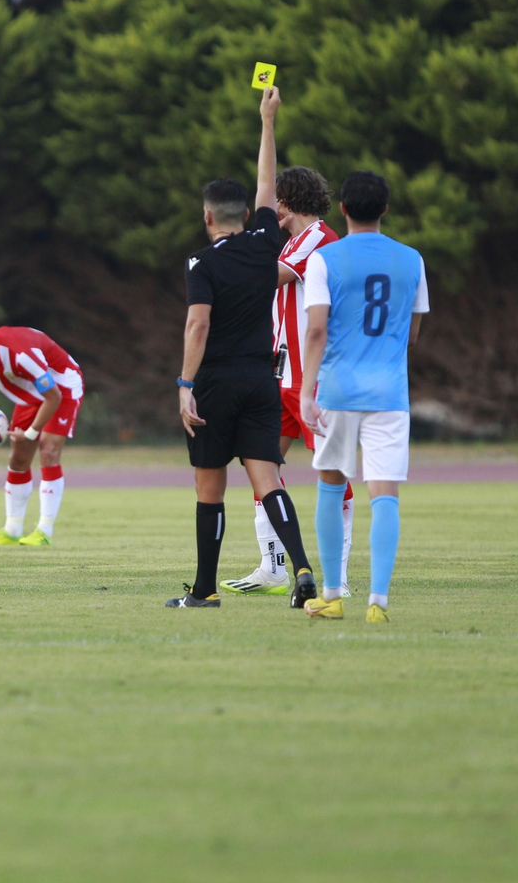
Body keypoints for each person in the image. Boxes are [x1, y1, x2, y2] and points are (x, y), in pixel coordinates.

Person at [171, 87, 317, 609]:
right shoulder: (263, 242)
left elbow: (197, 327)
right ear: (246, 214)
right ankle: (301, 568)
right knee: (268, 479)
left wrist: (186, 386)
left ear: (208, 217)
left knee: (209, 489)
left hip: (215, 382)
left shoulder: (200, 264)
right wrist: (267, 122)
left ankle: (205, 590)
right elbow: (266, 183)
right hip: (262, 380)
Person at [297, 171, 429, 623]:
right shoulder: (412, 260)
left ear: (345, 210)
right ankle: (378, 602)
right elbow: (412, 333)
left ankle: (332, 596)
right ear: (385, 210)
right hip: (390, 393)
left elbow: (316, 330)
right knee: (384, 494)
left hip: (337, 389)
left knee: (331, 487)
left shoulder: (325, 259)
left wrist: (304, 392)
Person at [221, 166, 357, 596]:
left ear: (285, 201)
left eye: (272, 200)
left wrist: (223, 264)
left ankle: (340, 578)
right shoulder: (293, 242)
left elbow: (268, 278)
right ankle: (274, 566)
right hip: (280, 379)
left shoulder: (319, 238)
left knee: (333, 475)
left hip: (314, 381)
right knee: (261, 466)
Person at [0, 320, 85, 547]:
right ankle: (12, 530)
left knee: (48, 450)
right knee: (18, 458)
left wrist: (33, 432)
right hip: (31, 393)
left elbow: (53, 395)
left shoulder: (21, 355)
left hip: (61, 385)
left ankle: (44, 531)